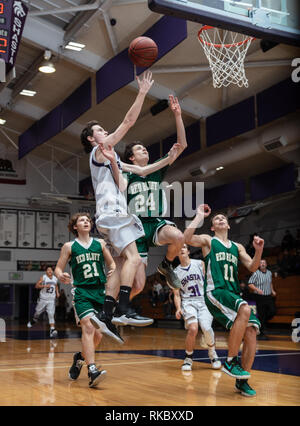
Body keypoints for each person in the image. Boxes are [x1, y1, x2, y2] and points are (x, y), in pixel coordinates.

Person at [80, 71, 181, 332]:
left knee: (125, 263)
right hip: (112, 214)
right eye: (100, 130)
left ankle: (105, 315)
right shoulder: (97, 153)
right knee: (135, 258)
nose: (105, 131)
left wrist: (166, 158)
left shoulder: (111, 159)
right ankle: (123, 309)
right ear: (92, 139)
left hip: (111, 216)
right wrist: (142, 92)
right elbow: (127, 122)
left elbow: (139, 174)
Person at [184, 204, 264, 397]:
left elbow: (253, 267)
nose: (221, 220)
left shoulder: (237, 247)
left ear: (228, 226)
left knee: (252, 331)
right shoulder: (208, 241)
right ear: (212, 227)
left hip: (232, 293)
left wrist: (258, 250)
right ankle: (230, 360)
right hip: (215, 291)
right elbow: (185, 239)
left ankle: (242, 381)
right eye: (216, 219)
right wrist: (198, 217)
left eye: (223, 219)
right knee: (244, 309)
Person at [122, 94, 187, 297]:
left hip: (155, 223)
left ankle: (166, 266)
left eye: (145, 149)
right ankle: (115, 309)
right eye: (140, 149)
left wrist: (178, 115)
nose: (145, 151)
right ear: (132, 157)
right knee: (139, 285)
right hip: (135, 228)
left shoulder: (156, 170)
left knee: (178, 236)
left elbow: (182, 145)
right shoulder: (125, 173)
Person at [54, 212, 120, 387]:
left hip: (100, 292)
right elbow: (58, 269)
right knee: (89, 326)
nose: (86, 222)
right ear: (75, 226)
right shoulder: (69, 246)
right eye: (81, 220)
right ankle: (92, 370)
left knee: (98, 335)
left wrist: (113, 270)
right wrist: (61, 275)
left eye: (88, 220)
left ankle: (80, 358)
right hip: (82, 292)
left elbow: (112, 263)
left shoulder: (100, 243)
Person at [173, 244, 221, 371]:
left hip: (203, 300)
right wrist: (178, 308)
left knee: (206, 327)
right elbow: (176, 294)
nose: (181, 249)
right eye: (179, 248)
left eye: (184, 247)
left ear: (188, 251)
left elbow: (210, 281)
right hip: (188, 302)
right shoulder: (175, 273)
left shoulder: (200, 264)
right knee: (193, 329)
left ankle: (212, 353)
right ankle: (188, 358)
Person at [27, 266, 60, 338]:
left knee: (51, 314)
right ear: (46, 272)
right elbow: (36, 286)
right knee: (38, 312)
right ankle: (34, 320)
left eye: (51, 270)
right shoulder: (43, 277)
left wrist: (57, 292)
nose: (50, 271)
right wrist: (44, 286)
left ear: (53, 271)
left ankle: (52, 330)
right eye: (48, 270)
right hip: (43, 299)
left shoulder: (55, 278)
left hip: (51, 300)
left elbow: (56, 286)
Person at [248, 259, 276, 340]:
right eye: (261, 263)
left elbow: (270, 282)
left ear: (266, 264)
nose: (262, 264)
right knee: (262, 314)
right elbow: (250, 284)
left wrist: (272, 290)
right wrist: (257, 289)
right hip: (259, 297)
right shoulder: (256, 273)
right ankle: (261, 332)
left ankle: (263, 323)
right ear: (259, 265)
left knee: (273, 311)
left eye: (264, 262)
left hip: (268, 296)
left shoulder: (270, 273)